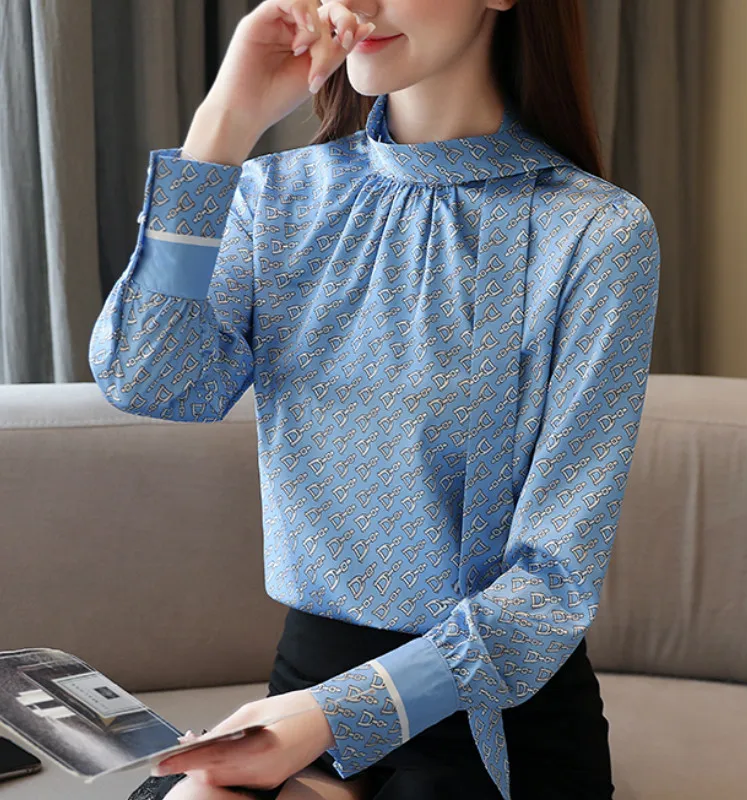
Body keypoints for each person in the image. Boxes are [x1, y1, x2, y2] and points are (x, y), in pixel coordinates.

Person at [90, 0, 661, 798]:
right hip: (304, 689)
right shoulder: (276, 197)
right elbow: (150, 378)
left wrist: (331, 715)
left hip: (491, 718)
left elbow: (550, 588)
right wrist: (223, 126)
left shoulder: (596, 233)